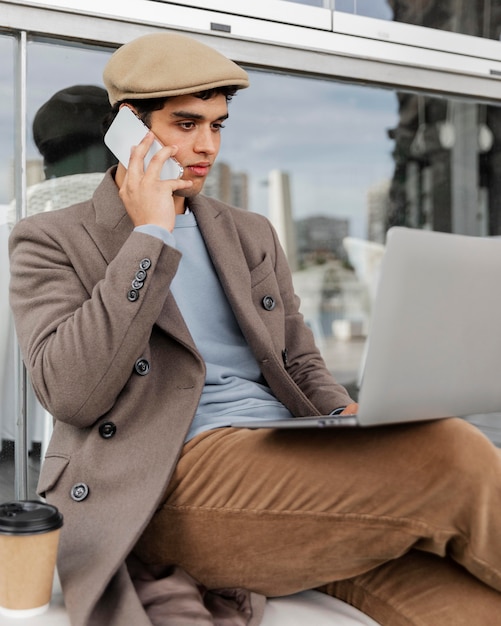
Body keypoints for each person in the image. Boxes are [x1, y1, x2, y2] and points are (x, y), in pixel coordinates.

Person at [8, 32, 501, 626]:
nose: (207, 146)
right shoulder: (50, 238)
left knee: (473, 607)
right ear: (127, 128)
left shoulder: (248, 232)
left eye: (218, 126)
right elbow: (71, 392)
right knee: (449, 452)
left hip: (293, 460)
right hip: (166, 479)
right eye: (186, 124)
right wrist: (149, 236)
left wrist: (346, 420)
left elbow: (300, 363)